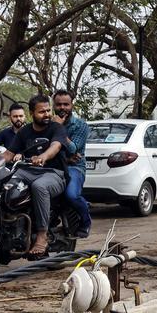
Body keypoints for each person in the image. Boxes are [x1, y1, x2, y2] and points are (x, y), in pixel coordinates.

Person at [3, 95, 67, 258]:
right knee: (5, 184)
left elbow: (56, 146)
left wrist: (43, 157)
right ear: (32, 113)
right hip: (27, 171)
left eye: (48, 110)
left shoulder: (56, 128)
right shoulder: (25, 131)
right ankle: (8, 227)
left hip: (54, 173)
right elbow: (9, 153)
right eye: (41, 112)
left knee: (39, 186)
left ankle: (42, 234)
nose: (46, 114)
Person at [51, 89, 92, 238]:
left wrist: (59, 128)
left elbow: (73, 149)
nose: (62, 108)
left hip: (74, 167)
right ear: (53, 106)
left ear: (72, 105)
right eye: (58, 104)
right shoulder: (47, 123)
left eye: (66, 104)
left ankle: (86, 221)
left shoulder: (81, 125)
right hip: (52, 166)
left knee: (71, 195)